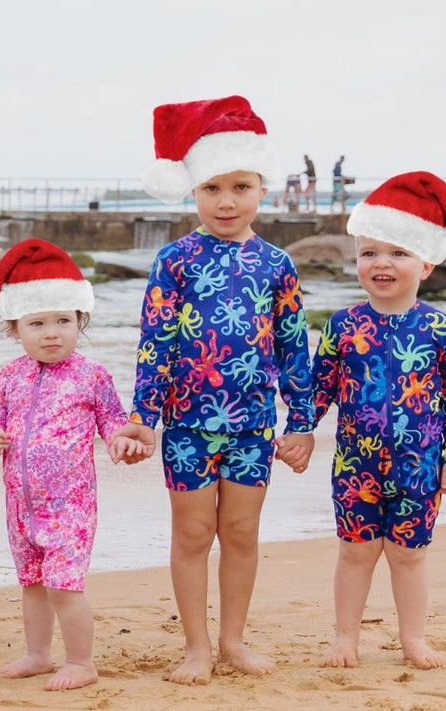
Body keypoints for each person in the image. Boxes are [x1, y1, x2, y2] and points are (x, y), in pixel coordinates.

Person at [130, 96, 315, 683]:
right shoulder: (173, 261)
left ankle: (233, 639)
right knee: (191, 533)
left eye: (240, 185)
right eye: (212, 187)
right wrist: (144, 417)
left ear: (262, 188)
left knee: (239, 532)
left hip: (254, 427)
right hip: (186, 425)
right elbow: (154, 343)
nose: (226, 200)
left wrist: (302, 423)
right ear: (193, 190)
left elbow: (293, 348)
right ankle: (196, 647)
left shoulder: (278, 264)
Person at [288, 171, 446, 670]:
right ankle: (345, 638)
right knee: (355, 553)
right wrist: (301, 430)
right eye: (369, 253)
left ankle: (412, 638)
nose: (381, 263)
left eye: (397, 252)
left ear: (426, 264)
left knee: (409, 556)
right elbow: (316, 387)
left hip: (420, 466)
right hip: (355, 466)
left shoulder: (440, 329)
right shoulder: (342, 326)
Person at [0, 239, 149, 692]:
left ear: (79, 322)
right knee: (32, 583)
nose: (52, 332)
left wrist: (120, 441)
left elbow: (114, 421)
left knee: (64, 586)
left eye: (63, 321)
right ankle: (37, 654)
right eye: (37, 323)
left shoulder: (90, 374)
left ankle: (81, 661)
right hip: (20, 507)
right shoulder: (10, 376)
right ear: (16, 328)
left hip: (70, 507)